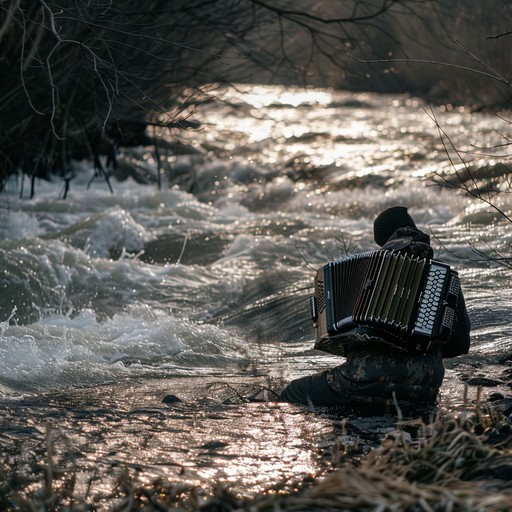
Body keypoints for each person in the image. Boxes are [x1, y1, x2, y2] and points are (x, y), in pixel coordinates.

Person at [281, 206, 471, 411]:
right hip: (426, 389)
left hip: (363, 382)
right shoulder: (444, 277)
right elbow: (460, 344)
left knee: (293, 391)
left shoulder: (370, 270)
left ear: (382, 240)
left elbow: (349, 337)